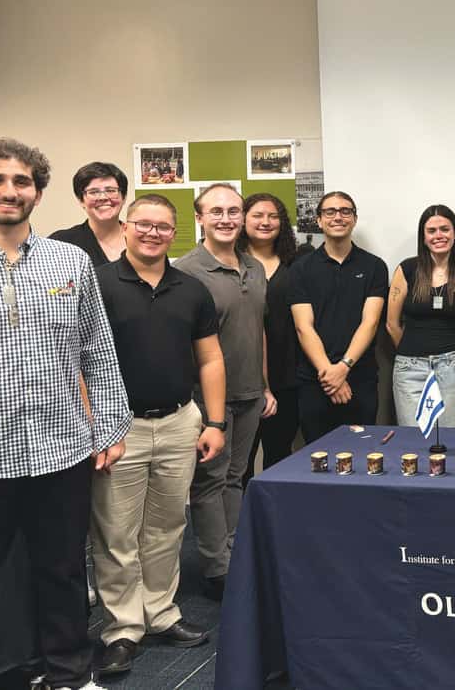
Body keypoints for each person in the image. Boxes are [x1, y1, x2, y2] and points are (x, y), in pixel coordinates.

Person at [0, 138, 130, 690]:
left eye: (22, 182)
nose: (10, 191)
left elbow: (97, 349)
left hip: (60, 451)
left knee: (63, 573)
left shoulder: (70, 262)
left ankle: (69, 674)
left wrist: (110, 427)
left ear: (38, 193)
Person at [90, 194, 226, 676]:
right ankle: (123, 629)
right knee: (116, 534)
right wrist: (95, 429)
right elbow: (77, 365)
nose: (152, 233)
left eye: (163, 227)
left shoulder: (191, 289)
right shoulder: (97, 284)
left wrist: (214, 422)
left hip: (178, 422)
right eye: (143, 224)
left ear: (175, 233)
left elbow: (210, 359)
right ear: (125, 227)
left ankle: (161, 613)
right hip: (117, 427)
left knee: (168, 527)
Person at [174, 183, 276, 600]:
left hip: (251, 392)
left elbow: (258, 332)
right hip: (207, 399)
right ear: (199, 217)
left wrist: (266, 385)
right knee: (209, 482)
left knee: (237, 478)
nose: (226, 219)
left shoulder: (254, 268)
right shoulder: (184, 271)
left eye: (233, 211)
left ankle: (234, 554)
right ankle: (217, 567)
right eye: (216, 211)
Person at [289, 191, 388, 441]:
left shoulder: (374, 266)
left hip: (360, 379)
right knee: (318, 460)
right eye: (330, 212)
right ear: (319, 220)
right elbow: (304, 327)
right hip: (315, 381)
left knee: (364, 457)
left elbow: (371, 322)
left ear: (354, 219)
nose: (338, 217)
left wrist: (343, 368)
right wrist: (330, 374)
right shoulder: (301, 268)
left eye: (345, 211)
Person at [238, 193, 309, 486]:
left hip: (288, 374)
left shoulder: (298, 262)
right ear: (243, 220)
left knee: (280, 455)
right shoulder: (231, 261)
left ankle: (274, 524)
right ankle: (242, 526)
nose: (265, 222)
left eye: (273, 216)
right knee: (240, 461)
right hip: (242, 376)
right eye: (257, 215)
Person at [387, 205, 455, 428]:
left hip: (453, 365)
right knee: (414, 440)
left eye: (445, 229)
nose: (439, 236)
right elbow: (392, 325)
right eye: (431, 231)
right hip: (409, 368)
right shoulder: (407, 269)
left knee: (451, 440)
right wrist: (414, 352)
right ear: (423, 237)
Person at [49, 162, 128, 266]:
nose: (103, 197)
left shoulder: (142, 237)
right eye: (93, 192)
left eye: (110, 190)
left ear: (124, 197)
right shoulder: (60, 243)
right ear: (81, 200)